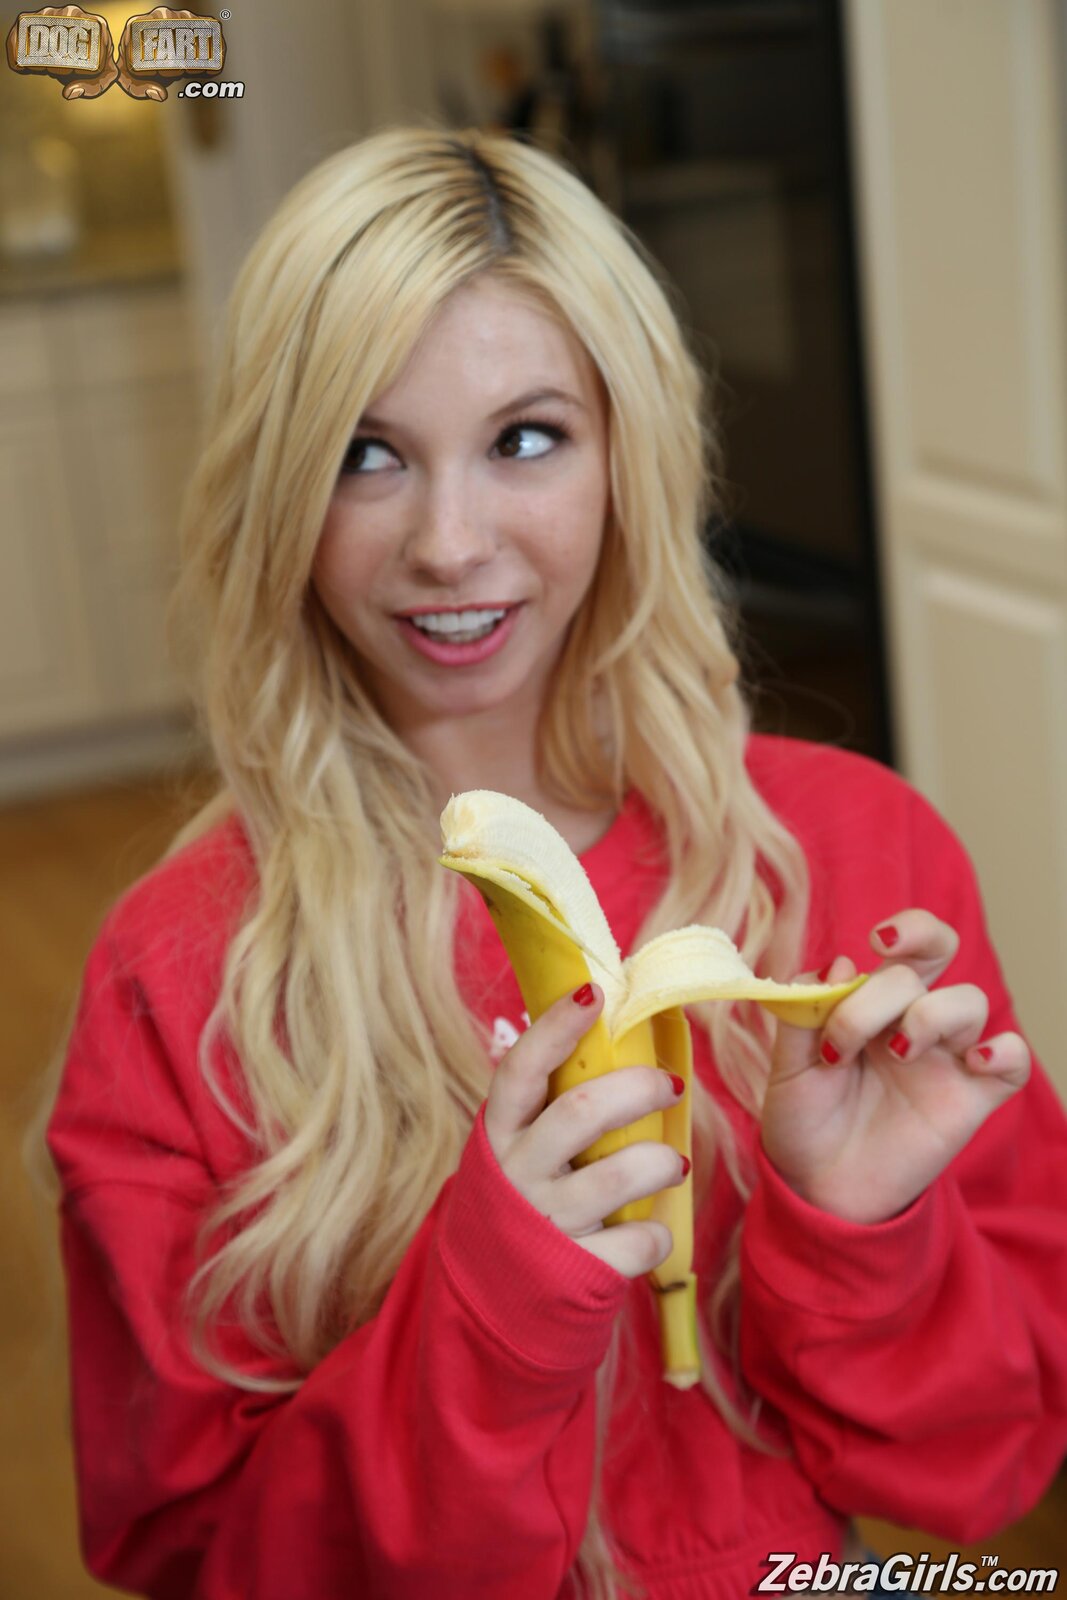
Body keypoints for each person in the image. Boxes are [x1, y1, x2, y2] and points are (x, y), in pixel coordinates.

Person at [34, 121, 1067, 1600]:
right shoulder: (180, 976)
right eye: (365, 455)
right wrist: (488, 1303)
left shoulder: (859, 857)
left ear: (627, 454)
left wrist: (865, 1229)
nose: (450, 545)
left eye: (524, 439)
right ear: (276, 492)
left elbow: (987, 1467)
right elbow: (200, 1557)